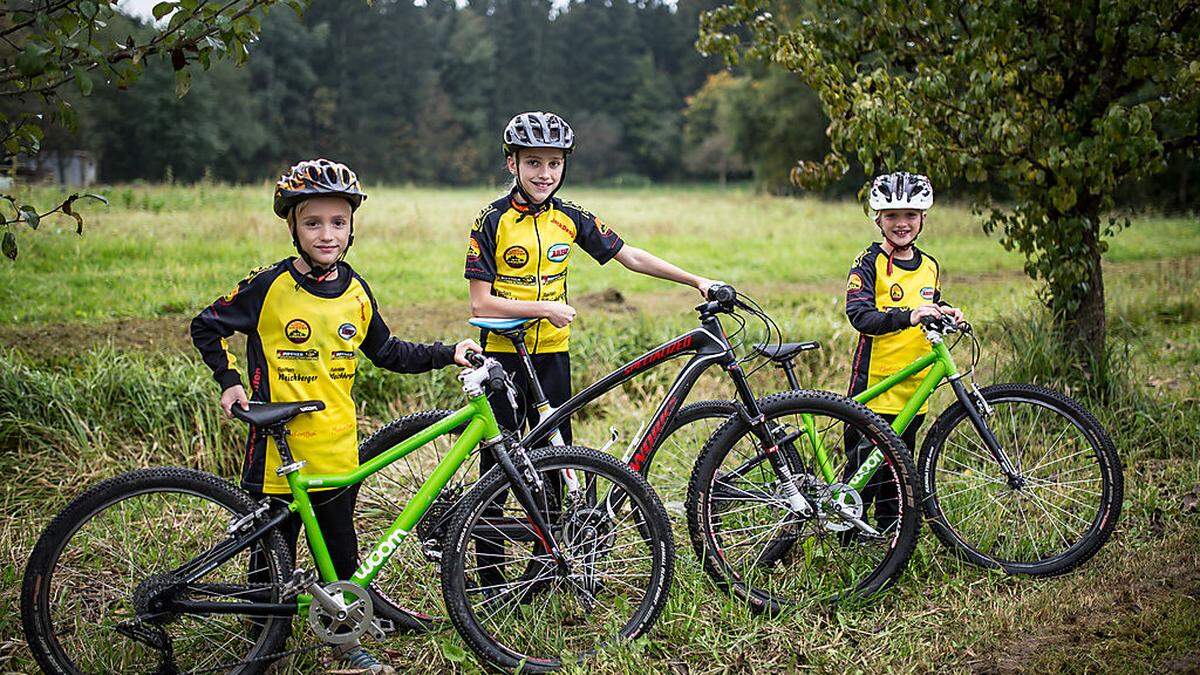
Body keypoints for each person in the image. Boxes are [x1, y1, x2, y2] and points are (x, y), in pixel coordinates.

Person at [191, 158, 479, 673]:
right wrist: (230, 381)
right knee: (270, 564)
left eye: (338, 222)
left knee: (342, 559)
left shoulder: (355, 290)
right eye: (313, 222)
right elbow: (206, 325)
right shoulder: (269, 286)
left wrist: (446, 351)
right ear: (292, 227)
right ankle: (264, 647)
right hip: (277, 451)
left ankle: (346, 642)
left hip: (337, 448)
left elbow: (389, 352)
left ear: (352, 227)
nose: (327, 234)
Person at [464, 111, 717, 444]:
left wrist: (698, 281)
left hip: (553, 352)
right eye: (534, 163)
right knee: (501, 458)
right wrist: (545, 309)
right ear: (513, 164)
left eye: (554, 164)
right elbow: (480, 305)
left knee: (555, 456)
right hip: (503, 352)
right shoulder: (492, 220)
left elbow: (631, 256)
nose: (545, 174)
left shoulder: (570, 217)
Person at [842, 172, 965, 531]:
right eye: (892, 216)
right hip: (876, 386)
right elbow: (859, 315)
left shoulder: (929, 266)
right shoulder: (868, 262)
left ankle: (889, 534)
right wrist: (909, 316)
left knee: (900, 468)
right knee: (865, 468)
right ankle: (852, 535)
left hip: (915, 388)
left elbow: (928, 303)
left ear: (923, 217)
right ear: (877, 218)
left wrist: (946, 311)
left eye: (910, 215)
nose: (902, 224)